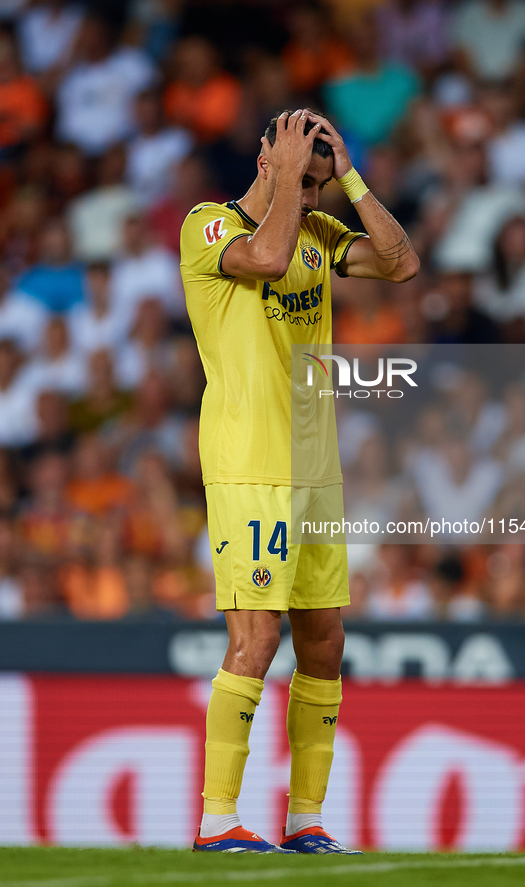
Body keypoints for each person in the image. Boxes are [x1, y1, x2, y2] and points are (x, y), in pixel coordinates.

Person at [180, 109, 419, 854]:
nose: (313, 200)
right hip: (248, 464)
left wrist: (346, 176)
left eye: (320, 187)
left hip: (315, 473)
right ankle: (218, 817)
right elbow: (267, 257)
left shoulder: (317, 228)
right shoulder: (207, 226)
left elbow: (400, 262)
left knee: (324, 638)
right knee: (256, 636)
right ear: (266, 157)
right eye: (306, 183)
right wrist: (288, 178)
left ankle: (306, 817)